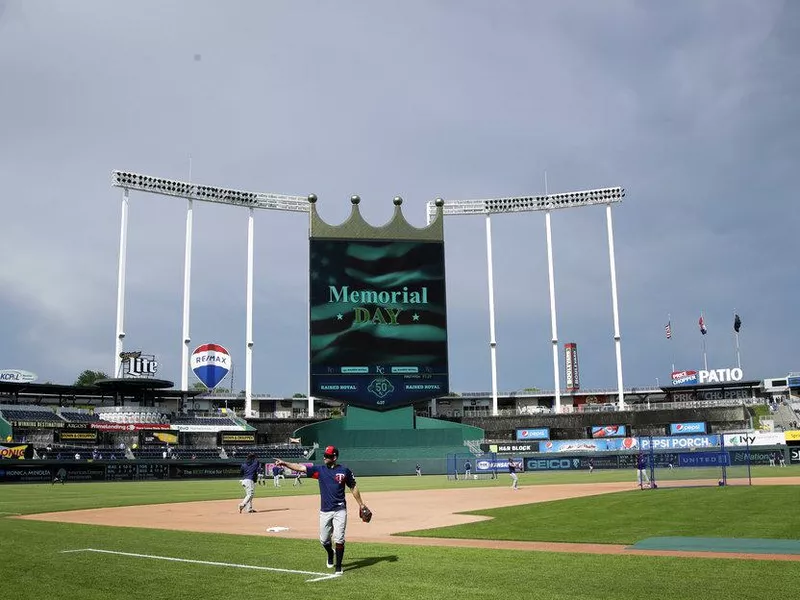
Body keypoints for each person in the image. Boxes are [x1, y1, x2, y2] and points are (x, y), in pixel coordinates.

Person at [275, 445, 366, 576]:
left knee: (339, 538)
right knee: (324, 540)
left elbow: (353, 487)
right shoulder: (320, 470)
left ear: (334, 457)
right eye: (325, 455)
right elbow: (300, 467)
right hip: (325, 510)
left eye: (328, 456)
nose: (325, 457)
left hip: (340, 509)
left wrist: (361, 504)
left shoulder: (344, 471)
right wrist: (284, 463)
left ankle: (338, 567)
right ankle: (330, 553)